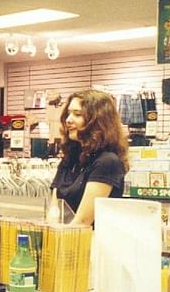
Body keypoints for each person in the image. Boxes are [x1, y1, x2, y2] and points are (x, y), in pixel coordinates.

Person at [50, 89, 129, 226]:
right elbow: (54, 210)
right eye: (68, 113)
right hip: (64, 240)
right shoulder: (69, 159)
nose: (68, 120)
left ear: (97, 121)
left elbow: (83, 222)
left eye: (77, 114)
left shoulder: (107, 162)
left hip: (89, 243)